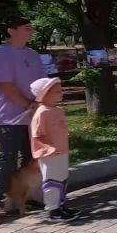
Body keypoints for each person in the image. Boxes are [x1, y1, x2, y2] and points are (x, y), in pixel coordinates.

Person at [0, 15, 47, 223]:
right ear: (11, 30)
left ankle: (27, 196)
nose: (31, 31)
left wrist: (40, 103)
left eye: (31, 27)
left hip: (33, 116)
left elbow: (42, 83)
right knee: (8, 160)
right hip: (9, 117)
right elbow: (5, 85)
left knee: (31, 159)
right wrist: (27, 104)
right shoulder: (1, 53)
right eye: (26, 27)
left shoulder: (33, 54)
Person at [28, 77, 82, 221]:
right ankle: (53, 210)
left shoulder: (57, 110)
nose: (61, 93)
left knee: (62, 179)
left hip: (61, 152)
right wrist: (47, 148)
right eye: (57, 91)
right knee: (52, 181)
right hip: (49, 155)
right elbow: (37, 135)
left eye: (61, 90)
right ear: (45, 94)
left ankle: (62, 206)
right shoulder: (42, 113)